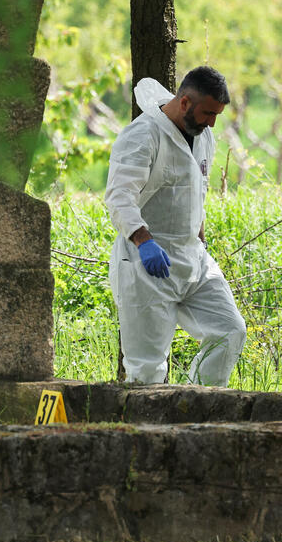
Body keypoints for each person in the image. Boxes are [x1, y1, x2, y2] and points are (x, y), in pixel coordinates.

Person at [105, 66, 246, 386]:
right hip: (146, 262)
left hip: (193, 258)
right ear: (184, 103)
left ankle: (199, 407)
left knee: (229, 330)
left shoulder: (203, 135)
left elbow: (196, 189)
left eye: (217, 115)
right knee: (147, 368)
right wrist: (144, 241)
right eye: (208, 113)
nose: (212, 122)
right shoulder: (143, 135)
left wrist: (200, 238)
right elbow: (119, 196)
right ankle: (145, 433)